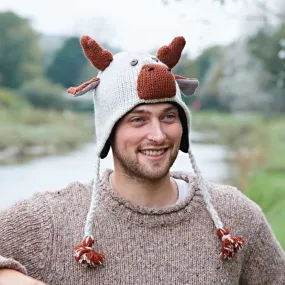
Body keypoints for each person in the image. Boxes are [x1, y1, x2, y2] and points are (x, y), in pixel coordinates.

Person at [0, 35, 284, 285]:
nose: (158, 135)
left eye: (169, 117)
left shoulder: (235, 216)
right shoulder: (51, 220)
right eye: (138, 120)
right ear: (109, 132)